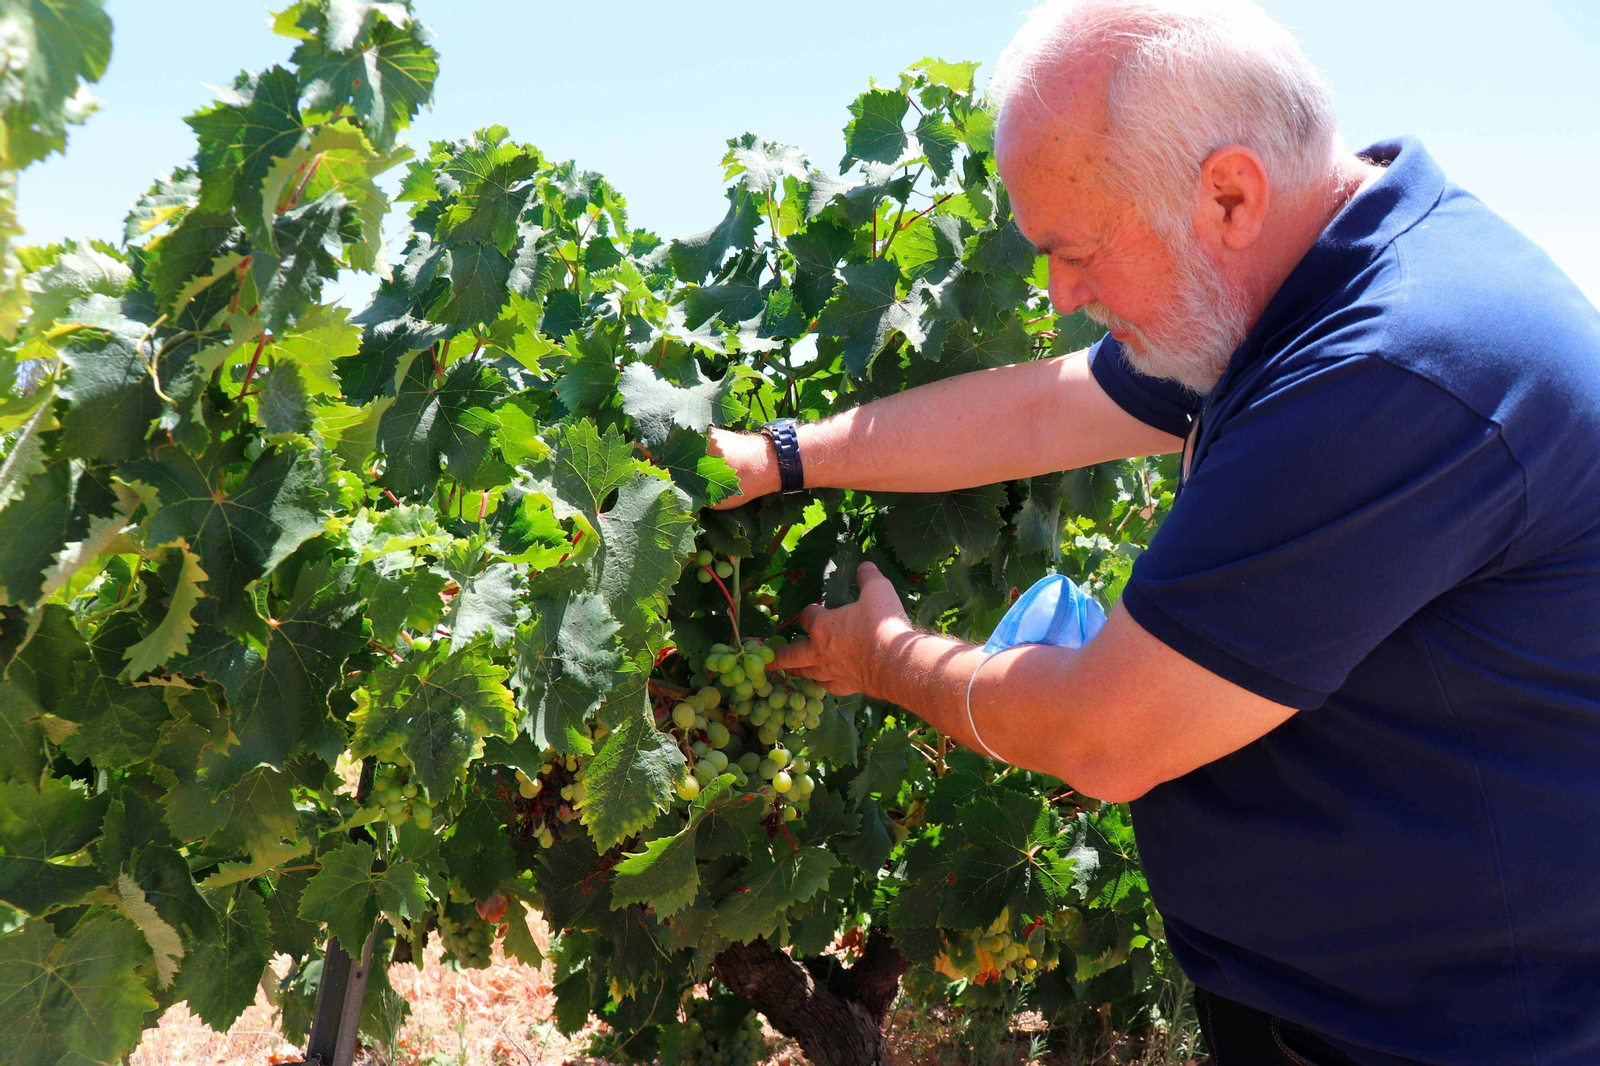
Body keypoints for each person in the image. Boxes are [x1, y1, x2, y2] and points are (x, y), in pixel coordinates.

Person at [705, 1, 1600, 1064]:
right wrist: (782, 454)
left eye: (1074, 251)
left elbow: (1105, 736)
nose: (1060, 293)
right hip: (1348, 1006)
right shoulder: (1292, 277)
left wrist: (884, 657)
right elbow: (1046, 406)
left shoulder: (1389, 371)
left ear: (1228, 191)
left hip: (1443, 1037)